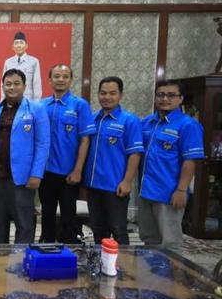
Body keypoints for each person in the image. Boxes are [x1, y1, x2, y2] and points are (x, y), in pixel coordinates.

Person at [138, 80, 205, 252]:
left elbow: (191, 160)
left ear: (181, 98)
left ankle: (172, 270)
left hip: (169, 193)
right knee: (149, 239)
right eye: (160, 95)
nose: (165, 99)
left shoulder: (188, 125)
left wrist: (181, 190)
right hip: (146, 191)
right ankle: (151, 269)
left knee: (170, 242)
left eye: (171, 95)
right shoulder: (147, 122)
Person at [0, 69, 50, 244]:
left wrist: (37, 174)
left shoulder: (36, 109)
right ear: (3, 86)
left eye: (16, 84)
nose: (12, 87)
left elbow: (42, 144)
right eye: (8, 84)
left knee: (24, 224)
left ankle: (21, 260)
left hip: (23, 179)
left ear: (24, 86)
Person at [83, 76, 144, 245]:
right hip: (93, 185)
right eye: (103, 93)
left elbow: (135, 154)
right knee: (97, 229)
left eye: (112, 93)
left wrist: (127, 181)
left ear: (120, 95)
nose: (107, 97)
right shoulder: (93, 119)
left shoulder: (129, 120)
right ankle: (102, 260)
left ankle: (124, 261)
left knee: (118, 230)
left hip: (115, 186)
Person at [39, 64, 95, 243]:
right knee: (46, 214)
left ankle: (69, 250)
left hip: (69, 173)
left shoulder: (80, 105)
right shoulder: (41, 105)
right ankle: (47, 248)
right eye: (56, 76)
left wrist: (78, 170)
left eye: (65, 76)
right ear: (49, 80)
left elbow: (85, 140)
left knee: (68, 217)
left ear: (71, 80)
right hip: (46, 172)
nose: (61, 80)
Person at [2, 31, 42, 101]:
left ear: (26, 46)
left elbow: (37, 84)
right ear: (13, 47)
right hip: (11, 101)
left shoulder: (34, 61)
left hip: (28, 101)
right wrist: (3, 101)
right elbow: (3, 84)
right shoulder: (8, 62)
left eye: (21, 43)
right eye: (16, 43)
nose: (19, 45)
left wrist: (36, 103)